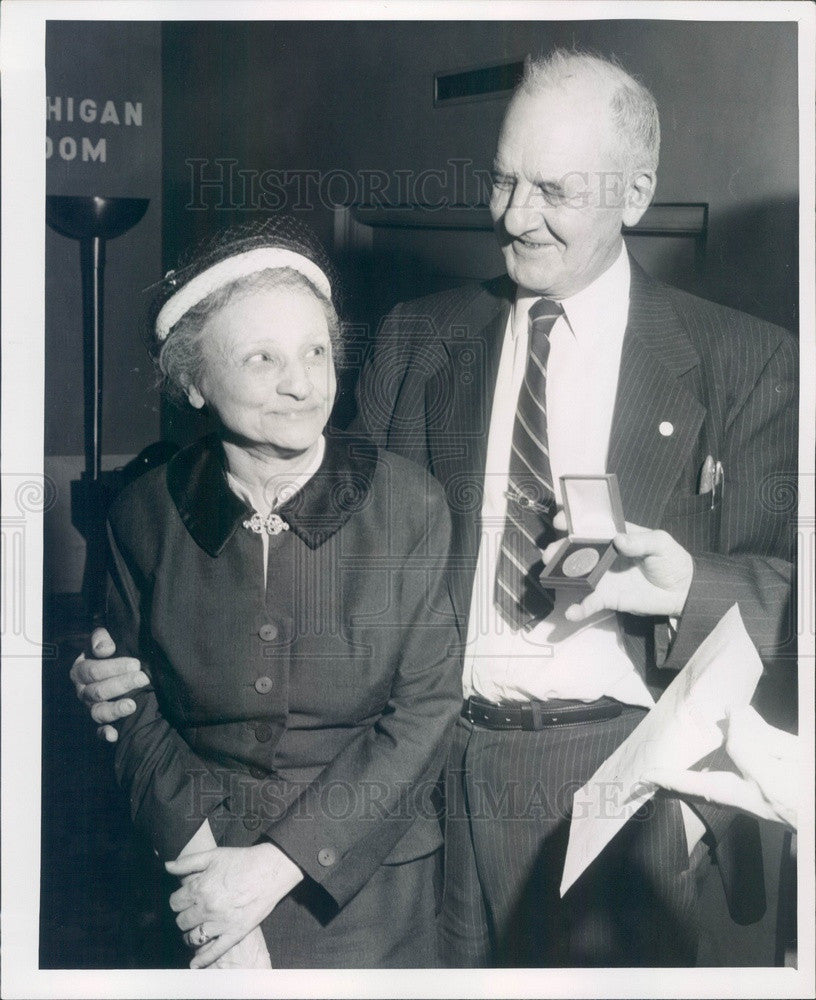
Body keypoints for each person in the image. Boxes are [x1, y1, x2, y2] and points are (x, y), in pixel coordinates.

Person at [73, 50, 797, 967]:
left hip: (628, 783)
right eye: (501, 180)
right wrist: (119, 660)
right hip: (430, 787)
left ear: (637, 192)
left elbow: (792, 604)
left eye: (553, 191)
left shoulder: (747, 361)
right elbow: (314, 541)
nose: (512, 215)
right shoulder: (421, 339)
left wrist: (684, 586)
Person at [89, 217, 461, 968]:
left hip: (366, 892)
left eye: (316, 352)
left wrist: (270, 870)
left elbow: (422, 717)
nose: (302, 383)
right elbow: (128, 707)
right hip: (195, 875)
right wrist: (212, 881)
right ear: (193, 380)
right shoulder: (141, 515)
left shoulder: (409, 507)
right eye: (262, 358)